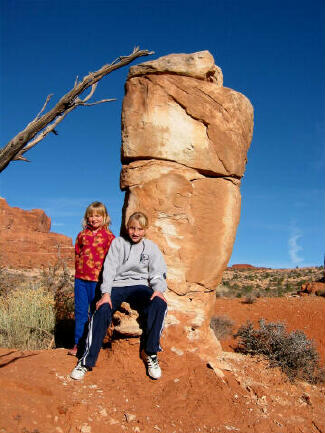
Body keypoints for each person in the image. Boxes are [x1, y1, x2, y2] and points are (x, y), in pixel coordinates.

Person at [70, 211, 168, 380]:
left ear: (145, 230)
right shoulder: (118, 243)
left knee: (160, 304)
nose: (135, 232)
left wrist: (159, 289)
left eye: (139, 229)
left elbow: (157, 272)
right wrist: (106, 294)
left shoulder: (151, 247)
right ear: (127, 228)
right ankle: (86, 361)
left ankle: (151, 353)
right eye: (132, 228)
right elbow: (109, 270)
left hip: (140, 286)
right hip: (118, 285)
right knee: (101, 309)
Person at [68, 201, 115, 356]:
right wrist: (78, 273)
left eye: (97, 216)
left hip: (98, 281)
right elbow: (77, 254)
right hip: (81, 280)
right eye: (90, 216)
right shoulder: (82, 235)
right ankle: (78, 344)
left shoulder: (109, 237)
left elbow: (113, 260)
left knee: (97, 313)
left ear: (104, 217)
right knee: (81, 311)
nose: (94, 219)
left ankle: (94, 344)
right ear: (86, 218)